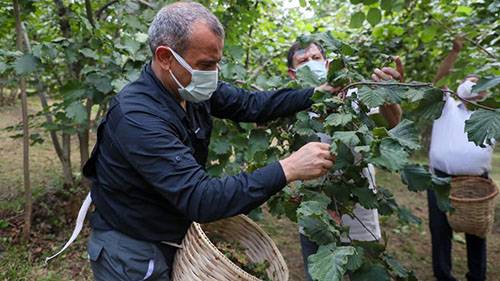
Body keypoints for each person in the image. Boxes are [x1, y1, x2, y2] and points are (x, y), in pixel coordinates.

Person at [80, 2, 339, 281]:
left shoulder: (189, 89)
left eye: (217, 62)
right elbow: (200, 198)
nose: (213, 73)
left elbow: (251, 104)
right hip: (132, 249)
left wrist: (316, 92)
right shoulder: (137, 117)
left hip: (171, 233)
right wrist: (287, 168)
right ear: (166, 57)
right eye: (205, 64)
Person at [286, 41, 404, 281]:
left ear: (328, 63)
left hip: (359, 210)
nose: (312, 64)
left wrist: (388, 95)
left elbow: (391, 123)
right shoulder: (292, 105)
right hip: (316, 213)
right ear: (292, 73)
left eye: (316, 57)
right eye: (303, 61)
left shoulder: (354, 94)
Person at [428, 74, 492, 281]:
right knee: (439, 230)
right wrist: (454, 51)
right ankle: (443, 275)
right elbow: (439, 79)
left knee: (476, 231)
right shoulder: (447, 107)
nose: (473, 85)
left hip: (478, 181)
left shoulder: (491, 114)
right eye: (470, 81)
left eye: (478, 82)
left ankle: (477, 276)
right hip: (441, 180)